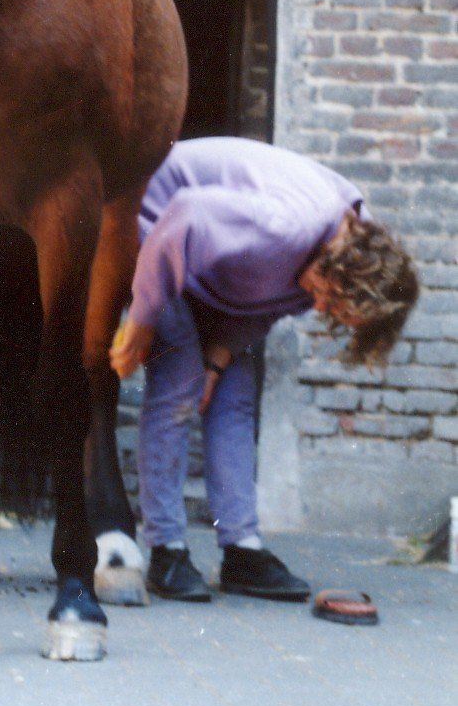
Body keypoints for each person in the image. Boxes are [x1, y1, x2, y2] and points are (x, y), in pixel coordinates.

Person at [110, 137, 419, 603]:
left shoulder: (354, 252)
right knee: (179, 378)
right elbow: (187, 214)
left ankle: (242, 549)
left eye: (335, 312)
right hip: (150, 223)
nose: (320, 309)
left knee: (233, 392)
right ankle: (166, 549)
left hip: (210, 265)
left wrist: (218, 360)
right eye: (330, 300)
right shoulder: (286, 227)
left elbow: (267, 304)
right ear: (339, 268)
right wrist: (142, 318)